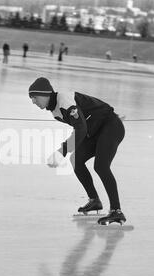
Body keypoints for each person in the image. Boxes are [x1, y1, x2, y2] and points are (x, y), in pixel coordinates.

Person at [28, 77, 126, 226]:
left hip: (111, 126)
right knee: (76, 160)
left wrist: (62, 150)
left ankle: (116, 210)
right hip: (96, 131)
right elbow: (82, 126)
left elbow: (81, 128)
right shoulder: (55, 112)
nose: (33, 102)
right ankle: (94, 201)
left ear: (45, 94)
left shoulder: (65, 101)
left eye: (34, 98)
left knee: (101, 166)